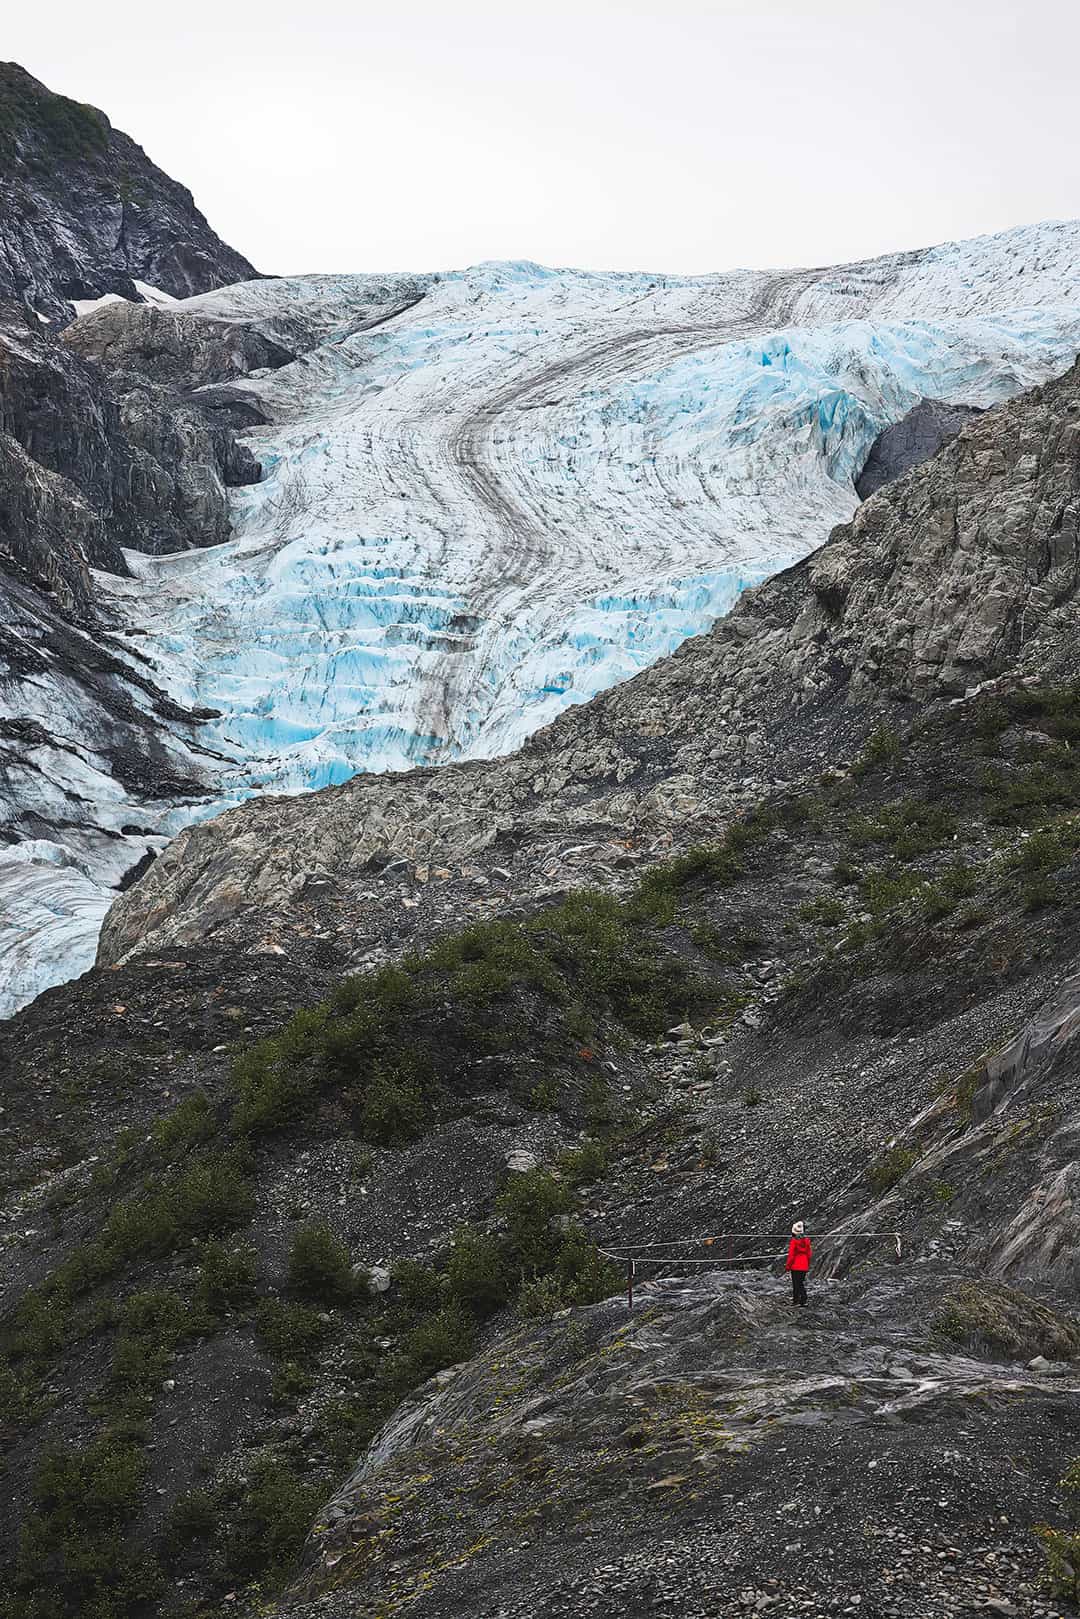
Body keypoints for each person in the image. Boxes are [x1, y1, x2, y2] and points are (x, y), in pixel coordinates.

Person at [786, 1220, 812, 1306]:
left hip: (795, 1266)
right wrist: (807, 1264)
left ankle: (796, 1300)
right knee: (801, 1282)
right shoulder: (807, 1241)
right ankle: (803, 1300)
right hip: (804, 1265)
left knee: (796, 1284)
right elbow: (809, 1254)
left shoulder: (794, 1241)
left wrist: (788, 1266)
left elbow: (791, 1255)